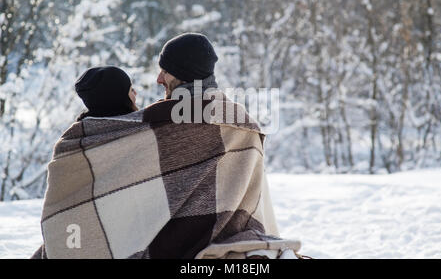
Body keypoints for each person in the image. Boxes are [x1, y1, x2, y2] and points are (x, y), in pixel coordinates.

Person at [32, 34, 301, 259]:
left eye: (165, 71)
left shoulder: (160, 122)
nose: (159, 79)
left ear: (184, 74)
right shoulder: (242, 125)